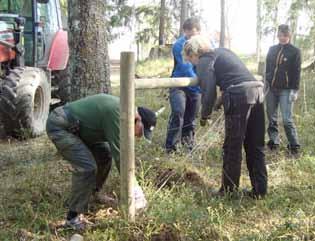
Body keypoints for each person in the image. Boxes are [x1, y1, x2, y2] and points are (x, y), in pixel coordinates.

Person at [46, 94, 157, 230]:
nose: (139, 136)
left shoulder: (125, 113)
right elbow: (121, 157)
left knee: (105, 155)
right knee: (87, 168)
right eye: (141, 131)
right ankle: (72, 218)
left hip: (79, 129)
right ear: (138, 119)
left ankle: (93, 193)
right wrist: (136, 191)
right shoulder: (119, 115)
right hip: (61, 125)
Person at [183, 35, 267, 198]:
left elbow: (208, 92)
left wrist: (204, 115)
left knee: (232, 147)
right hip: (257, 92)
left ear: (194, 53)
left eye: (190, 59)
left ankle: (228, 191)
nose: (192, 64)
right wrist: (217, 104)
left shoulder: (204, 61)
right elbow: (233, 79)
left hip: (239, 96)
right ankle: (260, 190)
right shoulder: (223, 52)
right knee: (255, 145)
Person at [165, 17, 201, 153]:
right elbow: (185, 66)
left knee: (191, 118)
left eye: (194, 33)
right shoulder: (179, 45)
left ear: (198, 32)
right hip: (179, 84)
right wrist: (199, 82)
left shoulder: (202, 44)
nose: (191, 36)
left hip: (196, 87)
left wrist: (201, 84)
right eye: (188, 33)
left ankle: (188, 147)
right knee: (178, 113)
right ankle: (171, 148)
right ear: (184, 31)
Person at [265, 24, 301, 155]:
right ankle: (273, 142)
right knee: (271, 117)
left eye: (285, 35)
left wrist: (295, 90)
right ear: (277, 35)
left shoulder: (295, 51)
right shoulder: (272, 49)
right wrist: (266, 82)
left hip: (286, 90)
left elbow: (297, 72)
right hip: (271, 89)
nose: (282, 38)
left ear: (289, 36)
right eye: (280, 35)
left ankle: (294, 145)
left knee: (286, 119)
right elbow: (268, 68)